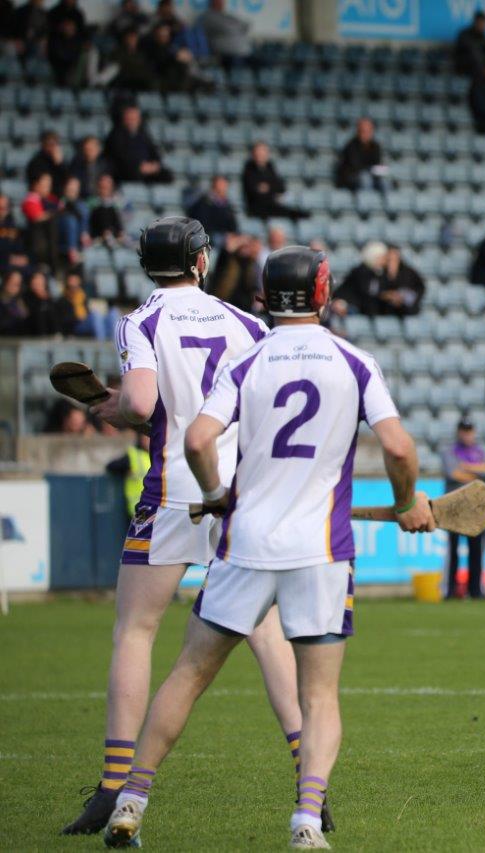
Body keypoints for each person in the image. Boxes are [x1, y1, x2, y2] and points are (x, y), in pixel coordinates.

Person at [101, 245, 433, 849]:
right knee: (318, 693)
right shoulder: (354, 361)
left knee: (187, 674)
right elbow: (401, 449)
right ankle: (307, 820)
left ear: (265, 295)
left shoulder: (248, 362)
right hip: (321, 552)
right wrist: (408, 501)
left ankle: (131, 799)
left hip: (245, 544)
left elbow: (200, 438)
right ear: (324, 293)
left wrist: (215, 492)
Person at [61, 218, 318, 837]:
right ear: (200, 262)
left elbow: (145, 406)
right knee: (265, 633)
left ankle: (112, 788)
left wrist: (111, 407)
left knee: (136, 633)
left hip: (175, 492)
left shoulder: (141, 320)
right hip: (237, 496)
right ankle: (311, 781)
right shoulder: (244, 321)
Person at [441, 418, 485, 600]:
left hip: (474, 507)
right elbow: (453, 472)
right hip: (453, 507)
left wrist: (466, 468)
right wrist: (477, 475)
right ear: (458, 432)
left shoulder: (480, 450)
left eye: (470, 431)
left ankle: (475, 590)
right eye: (464, 431)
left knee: (476, 550)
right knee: (453, 550)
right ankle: (449, 590)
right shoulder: (449, 451)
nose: (467, 435)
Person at [104, 105, 172, 184]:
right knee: (133, 173)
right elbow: (120, 157)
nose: (132, 120)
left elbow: (154, 152)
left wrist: (154, 165)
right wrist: (139, 167)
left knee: (166, 175)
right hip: (127, 170)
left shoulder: (143, 134)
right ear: (124, 119)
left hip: (146, 169)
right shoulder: (115, 135)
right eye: (130, 118)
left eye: (135, 118)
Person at [242, 141, 307, 221]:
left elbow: (281, 188)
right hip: (256, 208)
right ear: (253, 154)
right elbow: (254, 191)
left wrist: (268, 188)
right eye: (258, 152)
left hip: (272, 206)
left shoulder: (270, 166)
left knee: (303, 215)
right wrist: (271, 189)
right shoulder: (249, 168)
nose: (261, 154)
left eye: (263, 152)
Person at [332, 240, 387, 317]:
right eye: (382, 258)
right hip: (350, 304)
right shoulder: (360, 271)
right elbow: (364, 292)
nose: (385, 261)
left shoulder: (380, 273)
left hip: (361, 307)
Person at [334, 117, 386, 192]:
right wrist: (371, 169)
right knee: (365, 178)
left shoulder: (375, 146)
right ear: (358, 131)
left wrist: (376, 170)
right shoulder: (351, 145)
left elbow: (377, 164)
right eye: (363, 131)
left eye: (369, 131)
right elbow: (355, 167)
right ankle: (367, 203)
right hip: (350, 177)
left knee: (385, 181)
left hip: (370, 175)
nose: (366, 134)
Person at [185, 175, 238, 246]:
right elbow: (203, 224)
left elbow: (233, 225)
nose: (224, 187)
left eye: (225, 185)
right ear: (214, 185)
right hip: (210, 236)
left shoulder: (227, 204)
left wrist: (232, 235)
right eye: (222, 184)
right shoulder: (205, 202)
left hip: (225, 236)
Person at [22, 172, 60, 270]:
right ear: (36, 185)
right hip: (37, 240)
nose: (47, 188)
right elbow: (37, 217)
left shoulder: (51, 199)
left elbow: (60, 209)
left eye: (49, 185)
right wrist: (52, 214)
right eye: (44, 185)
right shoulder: (30, 200)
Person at [197, 0, 251, 68]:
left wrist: (234, 26)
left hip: (245, 53)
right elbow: (225, 28)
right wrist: (235, 27)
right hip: (228, 55)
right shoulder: (207, 17)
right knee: (240, 73)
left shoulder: (226, 16)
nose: (222, 3)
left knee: (264, 62)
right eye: (218, 1)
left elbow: (245, 25)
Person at [378, 246, 425, 317]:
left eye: (394, 256)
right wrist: (389, 296)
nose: (392, 259)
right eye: (390, 257)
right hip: (386, 311)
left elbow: (420, 288)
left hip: (407, 311)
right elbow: (377, 291)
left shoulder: (409, 272)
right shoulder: (380, 272)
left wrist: (404, 298)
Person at [454, 9, 485, 77]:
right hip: (466, 68)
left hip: (483, 71)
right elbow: (473, 54)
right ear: (476, 22)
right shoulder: (465, 35)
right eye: (482, 22)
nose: (484, 25)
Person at [26, 131, 70, 196]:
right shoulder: (36, 162)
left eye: (54, 145)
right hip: (41, 197)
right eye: (49, 145)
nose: (51, 148)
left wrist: (60, 164)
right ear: (43, 145)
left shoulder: (61, 161)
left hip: (57, 197)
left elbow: (67, 180)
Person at [89, 173, 129, 245]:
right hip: (98, 231)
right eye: (102, 187)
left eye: (107, 186)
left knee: (111, 209)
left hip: (115, 229)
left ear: (112, 187)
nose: (105, 189)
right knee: (103, 209)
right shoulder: (92, 201)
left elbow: (126, 216)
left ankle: (117, 236)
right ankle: (108, 235)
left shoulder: (118, 201)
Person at [23, 267, 58, 335]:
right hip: (32, 335)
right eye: (35, 280)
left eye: (41, 280)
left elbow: (55, 318)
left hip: (51, 336)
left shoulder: (49, 299)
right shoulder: (26, 298)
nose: (38, 283)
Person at [0, 194, 29, 272]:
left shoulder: (11, 224)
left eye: (5, 207)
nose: (2, 210)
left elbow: (18, 245)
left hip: (12, 263)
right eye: (0, 208)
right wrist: (8, 258)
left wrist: (22, 257)